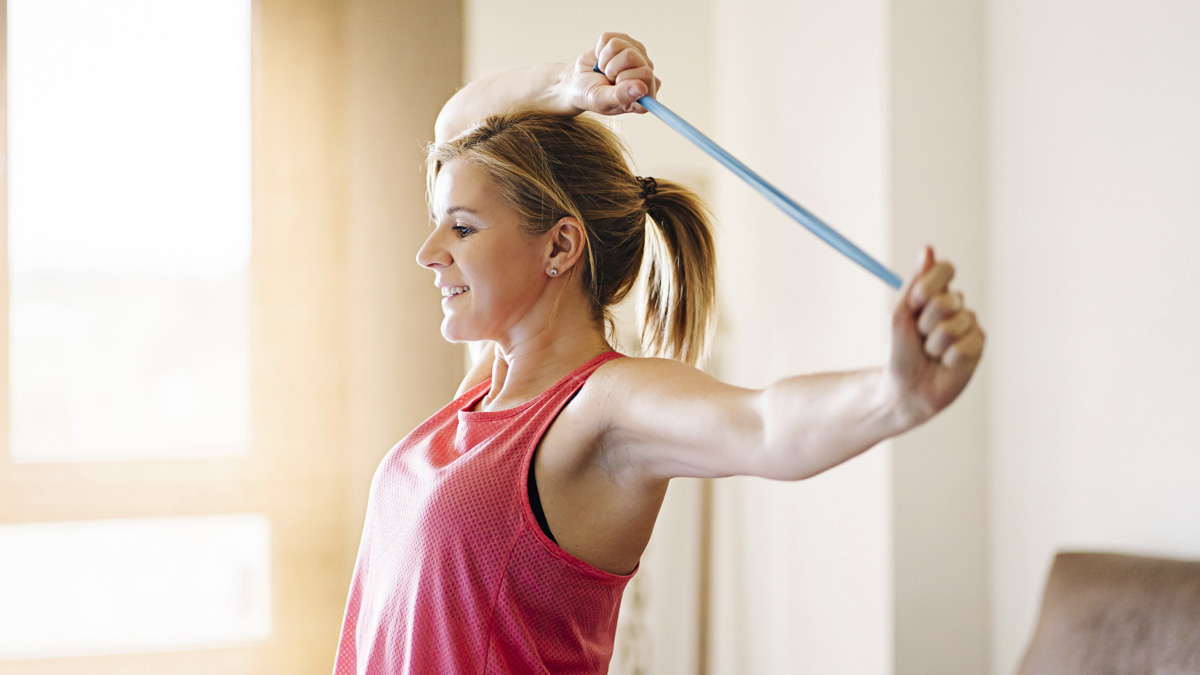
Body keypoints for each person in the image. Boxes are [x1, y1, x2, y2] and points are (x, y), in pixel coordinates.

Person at [332, 32, 985, 675]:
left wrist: (898, 395)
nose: (428, 251)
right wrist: (571, 85)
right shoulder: (487, 389)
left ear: (560, 247)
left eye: (463, 227)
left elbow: (764, 425)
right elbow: (459, 123)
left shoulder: (602, 408)